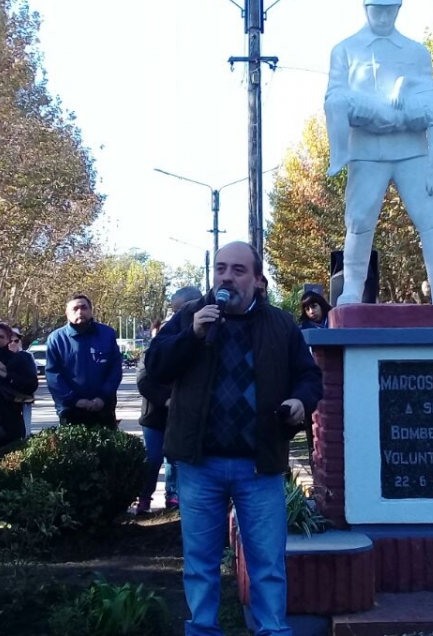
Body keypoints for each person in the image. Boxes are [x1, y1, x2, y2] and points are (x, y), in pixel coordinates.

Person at [146, 242, 323, 634]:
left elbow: (310, 377)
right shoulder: (191, 318)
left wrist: (299, 401)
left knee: (266, 563)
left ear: (258, 281)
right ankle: (204, 629)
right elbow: (154, 368)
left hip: (258, 466)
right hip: (199, 464)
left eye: (238, 270)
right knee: (201, 562)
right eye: (221, 269)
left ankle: (272, 629)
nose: (227, 277)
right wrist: (191, 335)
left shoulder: (281, 325)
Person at [324, 0, 433, 308]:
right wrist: (372, 113)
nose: (383, 16)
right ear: (366, 9)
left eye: (389, 9)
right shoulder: (345, 50)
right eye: (377, 9)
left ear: (398, 9)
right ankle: (352, 290)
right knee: (360, 221)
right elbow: (335, 95)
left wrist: (427, 153)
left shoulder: (417, 52)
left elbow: (430, 99)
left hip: (411, 150)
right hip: (366, 150)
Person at [0, 321, 37, 525]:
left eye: (1, 337)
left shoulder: (18, 359)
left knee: (13, 464)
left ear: (8, 339)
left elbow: (30, 385)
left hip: (11, 421)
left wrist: (6, 374)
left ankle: (12, 506)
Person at [46, 294, 121, 428]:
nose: (80, 312)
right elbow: (53, 375)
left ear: (91, 310)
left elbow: (115, 370)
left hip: (103, 409)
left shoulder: (107, 334)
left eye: (84, 308)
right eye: (75, 309)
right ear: (67, 313)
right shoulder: (56, 339)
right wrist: (74, 400)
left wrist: (102, 397)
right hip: (70, 410)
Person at [135, 319, 178, 515]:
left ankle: (173, 496)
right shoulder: (148, 356)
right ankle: (144, 498)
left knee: (174, 458)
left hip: (178, 416)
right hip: (154, 416)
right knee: (153, 458)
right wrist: (166, 400)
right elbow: (143, 382)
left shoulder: (182, 352)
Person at [7, 328, 37, 436]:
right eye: (10, 341)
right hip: (6, 402)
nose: (13, 343)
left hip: (23, 400)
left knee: (25, 432)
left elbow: (32, 379)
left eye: (16, 341)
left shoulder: (27, 356)